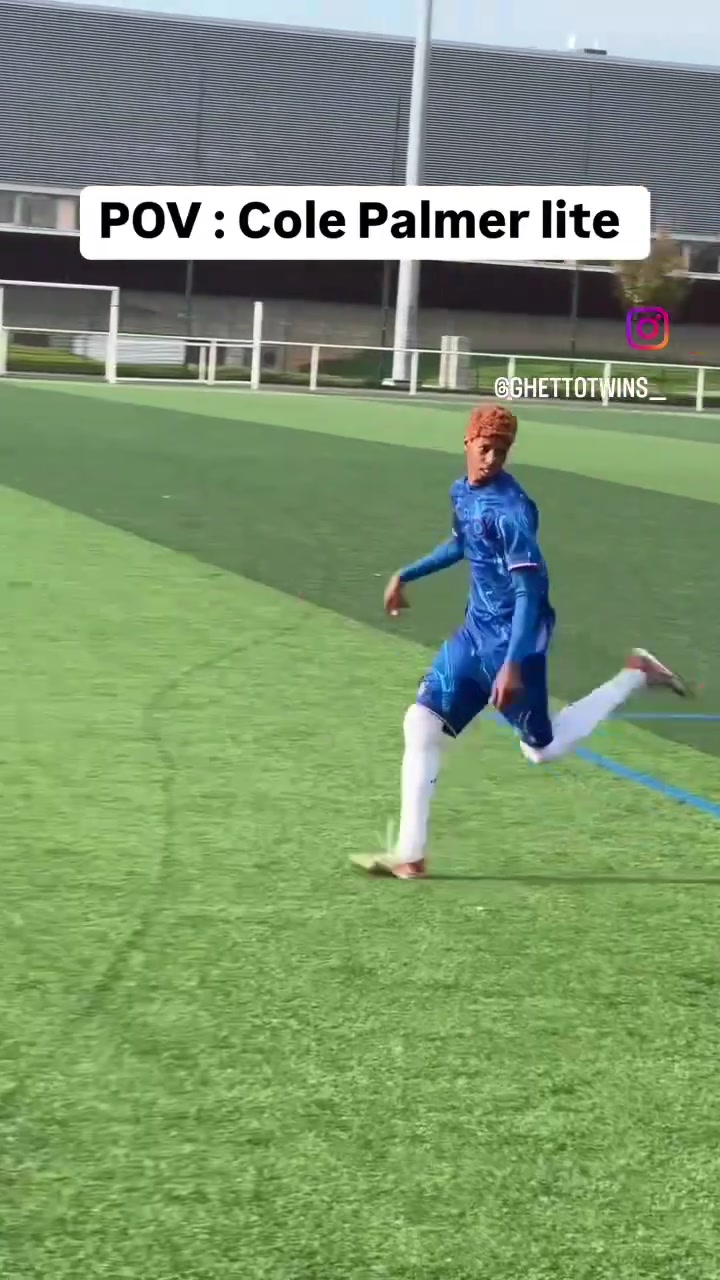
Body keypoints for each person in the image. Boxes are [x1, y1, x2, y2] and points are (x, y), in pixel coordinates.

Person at [352, 403, 689, 881]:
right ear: (468, 443)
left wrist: (513, 663)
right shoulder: (462, 491)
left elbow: (530, 592)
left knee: (541, 750)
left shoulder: (511, 512)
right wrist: (405, 574)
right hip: (475, 632)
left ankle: (635, 674)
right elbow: (462, 543)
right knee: (421, 722)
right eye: (485, 447)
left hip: (517, 639)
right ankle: (410, 854)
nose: (491, 458)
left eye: (501, 451)